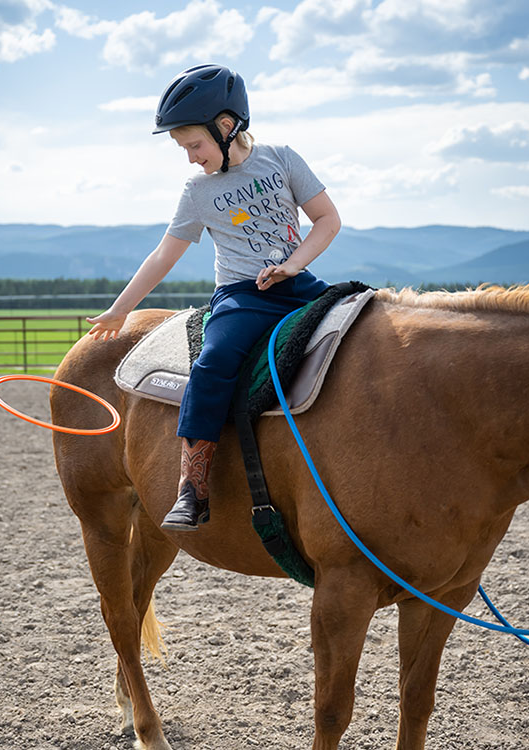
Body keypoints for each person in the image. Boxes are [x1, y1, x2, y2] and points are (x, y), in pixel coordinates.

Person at [87, 64, 341, 532]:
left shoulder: (282, 159)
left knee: (357, 336)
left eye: (194, 146)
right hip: (243, 297)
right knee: (214, 361)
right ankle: (193, 488)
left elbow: (327, 219)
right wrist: (121, 309)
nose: (190, 158)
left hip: (298, 285)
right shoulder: (198, 192)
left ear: (226, 127)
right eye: (183, 149)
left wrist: (293, 265)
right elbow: (165, 254)